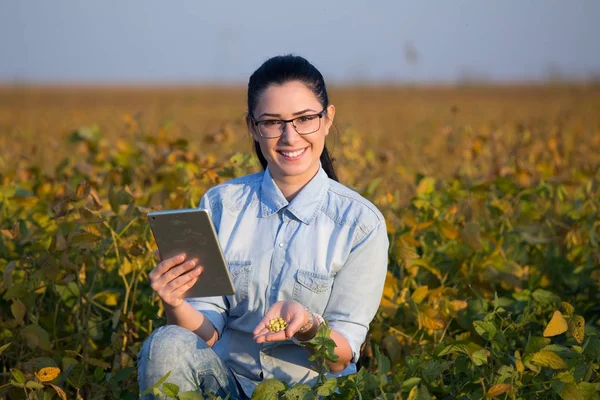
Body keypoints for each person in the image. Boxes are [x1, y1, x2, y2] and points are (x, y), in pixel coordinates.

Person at [137, 55, 389, 399]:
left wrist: (307, 325)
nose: (290, 136)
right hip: (229, 385)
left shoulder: (360, 223)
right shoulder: (220, 205)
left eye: (305, 119)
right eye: (272, 122)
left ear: (327, 119)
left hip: (311, 392)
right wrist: (176, 302)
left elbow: (340, 357)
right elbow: (205, 338)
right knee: (166, 341)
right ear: (253, 127)